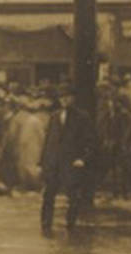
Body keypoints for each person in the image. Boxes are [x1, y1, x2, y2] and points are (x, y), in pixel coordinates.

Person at [40, 84, 97, 237]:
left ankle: (70, 223)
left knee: (73, 195)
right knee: (48, 194)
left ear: (73, 98)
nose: (64, 99)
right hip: (54, 162)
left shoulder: (82, 117)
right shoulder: (54, 116)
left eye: (68, 96)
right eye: (61, 97)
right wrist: (43, 162)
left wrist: (83, 159)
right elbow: (48, 141)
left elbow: (90, 141)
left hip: (71, 162)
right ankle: (46, 223)